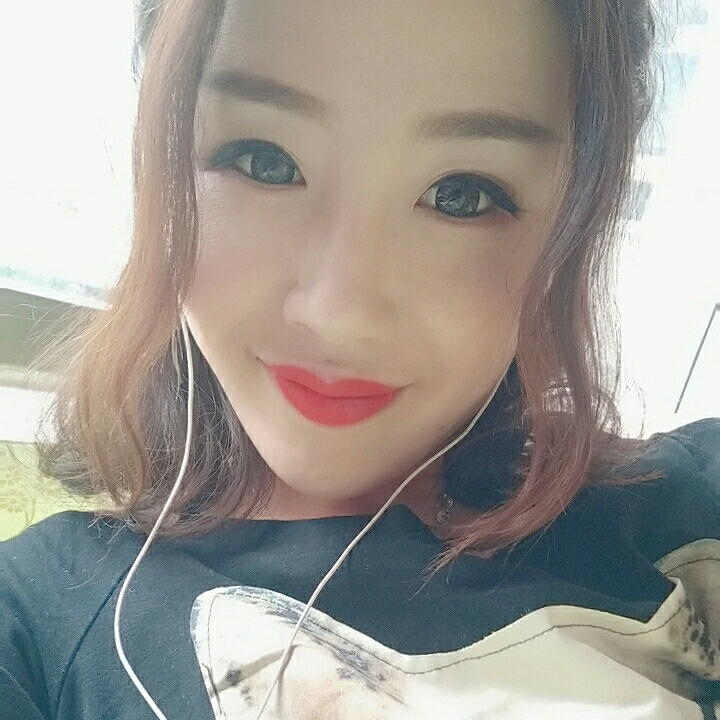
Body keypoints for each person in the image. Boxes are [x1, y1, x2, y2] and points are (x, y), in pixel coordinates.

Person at [1, 0, 718, 718]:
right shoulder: (43, 622)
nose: (338, 312)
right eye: (265, 161)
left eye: (460, 195)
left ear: (568, 232)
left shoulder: (677, 511)